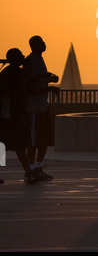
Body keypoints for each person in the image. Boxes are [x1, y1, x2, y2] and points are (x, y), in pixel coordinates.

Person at [0, 48, 40, 184]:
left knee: (20, 146)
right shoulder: (6, 74)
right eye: (20, 55)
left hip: (19, 116)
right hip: (8, 116)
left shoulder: (22, 74)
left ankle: (29, 173)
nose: (23, 56)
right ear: (14, 58)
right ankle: (29, 173)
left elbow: (31, 89)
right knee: (12, 146)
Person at [23, 36, 59, 181]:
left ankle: (38, 168)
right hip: (33, 108)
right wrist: (48, 88)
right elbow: (30, 86)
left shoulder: (39, 59)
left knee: (44, 139)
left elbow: (37, 80)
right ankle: (31, 170)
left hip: (42, 107)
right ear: (35, 45)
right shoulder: (30, 61)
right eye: (42, 43)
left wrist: (48, 78)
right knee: (32, 141)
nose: (45, 44)